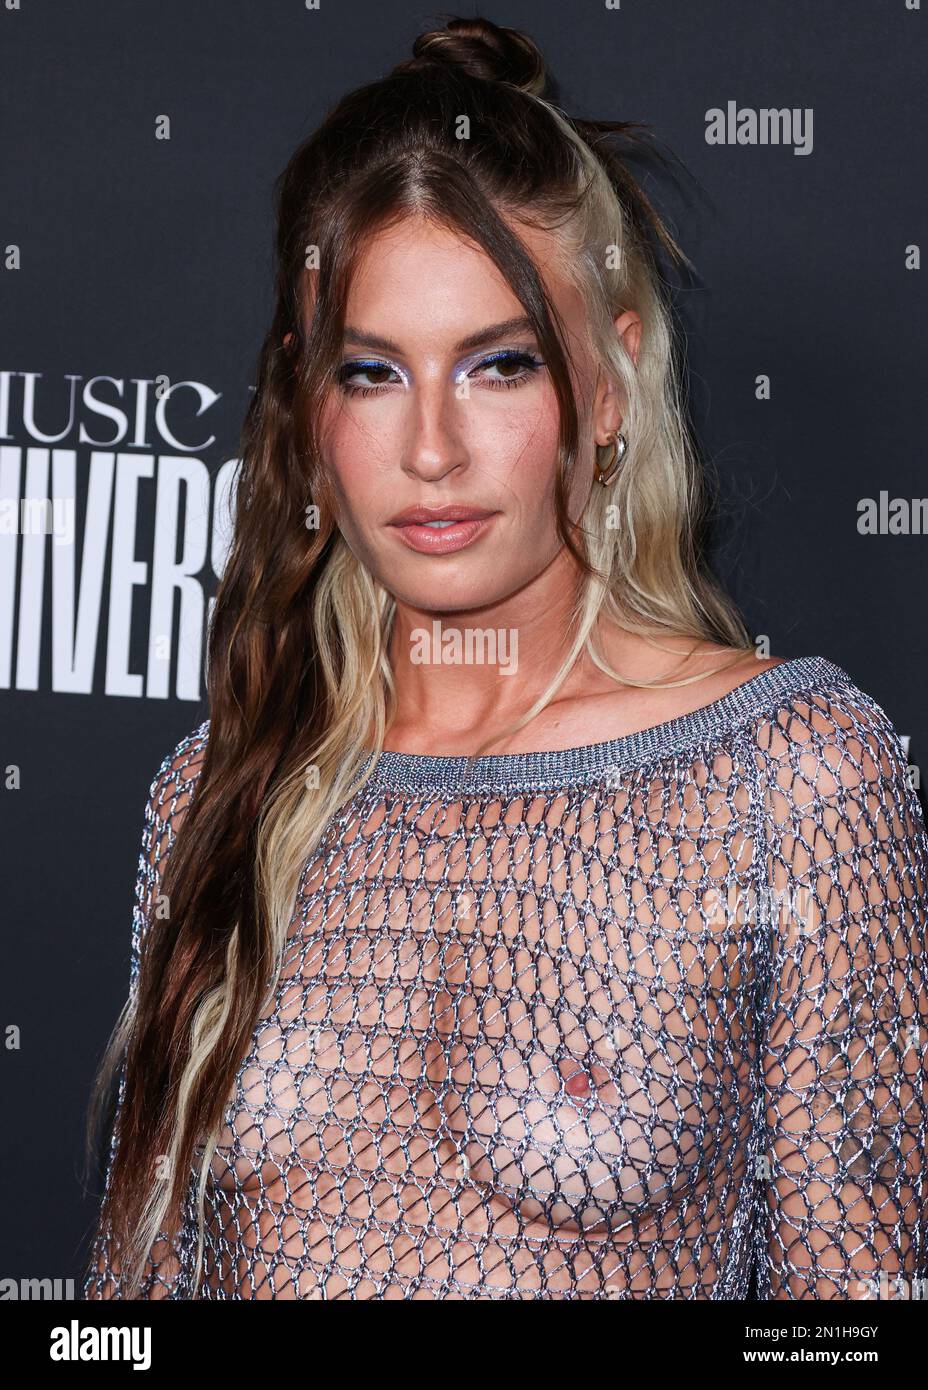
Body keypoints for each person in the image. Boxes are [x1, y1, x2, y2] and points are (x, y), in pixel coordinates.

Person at [83, 15, 928, 1300]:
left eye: (499, 365)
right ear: (307, 409)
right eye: (370, 372)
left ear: (608, 385)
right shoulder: (216, 793)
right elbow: (121, 1313)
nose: (431, 448)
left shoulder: (790, 781)